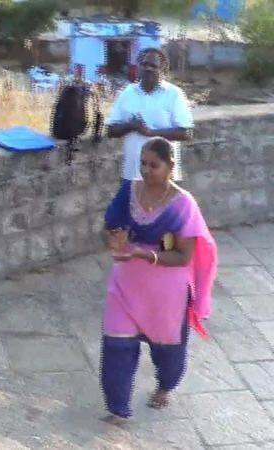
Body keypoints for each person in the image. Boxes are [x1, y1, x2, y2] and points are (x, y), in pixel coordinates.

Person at [101, 137, 217, 422]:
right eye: (143, 164)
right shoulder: (128, 190)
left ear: (170, 166)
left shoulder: (182, 204)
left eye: (154, 165)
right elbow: (107, 228)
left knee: (167, 349)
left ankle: (165, 386)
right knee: (116, 345)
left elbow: (183, 256)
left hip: (166, 292)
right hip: (125, 283)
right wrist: (111, 240)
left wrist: (143, 254)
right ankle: (117, 410)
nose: (147, 170)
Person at [107, 48, 194, 182]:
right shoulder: (127, 93)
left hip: (164, 179)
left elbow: (186, 132)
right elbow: (111, 130)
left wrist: (151, 132)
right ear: (138, 67)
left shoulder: (174, 94)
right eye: (144, 64)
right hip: (132, 175)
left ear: (163, 70)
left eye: (153, 66)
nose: (148, 68)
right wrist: (131, 125)